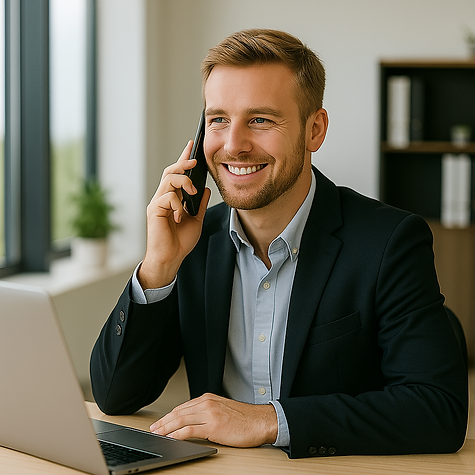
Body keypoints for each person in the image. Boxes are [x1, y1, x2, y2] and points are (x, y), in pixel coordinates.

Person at [90, 29, 468, 458]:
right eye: (218, 120)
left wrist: (269, 420)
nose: (233, 145)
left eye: (261, 120)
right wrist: (158, 264)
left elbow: (438, 410)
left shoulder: (389, 242)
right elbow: (116, 396)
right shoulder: (193, 241)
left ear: (314, 130)